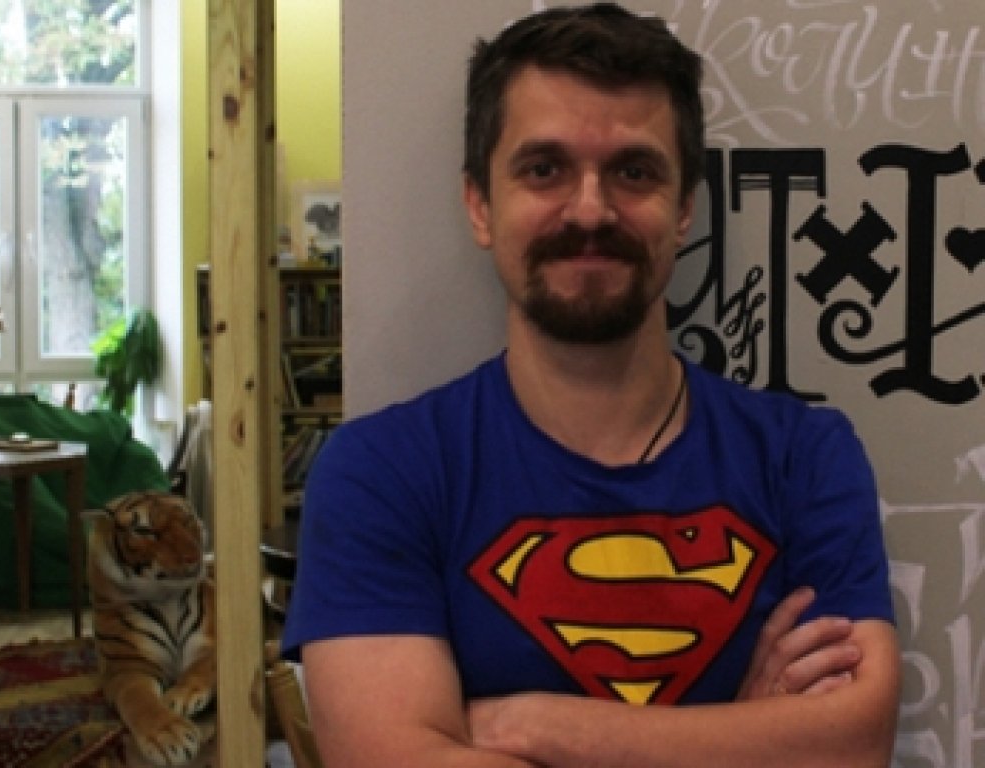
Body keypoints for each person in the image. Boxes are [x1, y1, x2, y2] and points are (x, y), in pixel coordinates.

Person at [281, 4, 901, 766]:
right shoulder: (381, 473)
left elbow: (852, 747)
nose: (590, 209)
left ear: (683, 208)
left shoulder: (805, 458)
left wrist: (538, 725)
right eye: (544, 170)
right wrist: (741, 738)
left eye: (633, 172)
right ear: (480, 204)